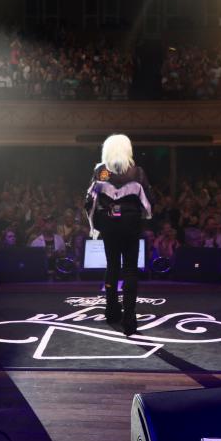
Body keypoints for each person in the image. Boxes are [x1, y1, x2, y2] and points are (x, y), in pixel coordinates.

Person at [85, 134, 152, 336]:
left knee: (112, 265)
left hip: (109, 223)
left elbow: (90, 200)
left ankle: (112, 310)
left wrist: (94, 225)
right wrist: (145, 218)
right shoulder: (137, 172)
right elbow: (148, 201)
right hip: (130, 223)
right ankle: (129, 319)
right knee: (130, 269)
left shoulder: (102, 171)